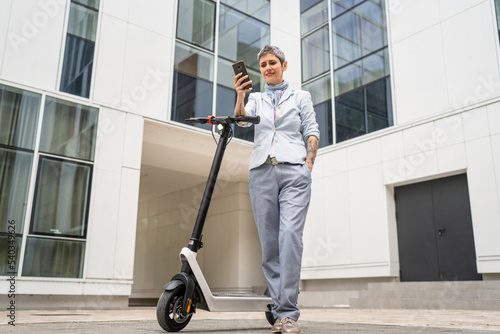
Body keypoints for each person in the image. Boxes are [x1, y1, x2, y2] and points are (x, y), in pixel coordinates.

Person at [233, 45, 319, 334]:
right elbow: (243, 121)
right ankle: (281, 310)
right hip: (261, 173)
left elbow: (311, 130)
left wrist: (308, 164)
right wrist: (241, 95)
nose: (268, 68)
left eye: (272, 63)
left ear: (284, 65)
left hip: (294, 171)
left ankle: (288, 314)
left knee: (290, 237)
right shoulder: (256, 98)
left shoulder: (301, 97)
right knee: (270, 245)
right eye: (263, 65)